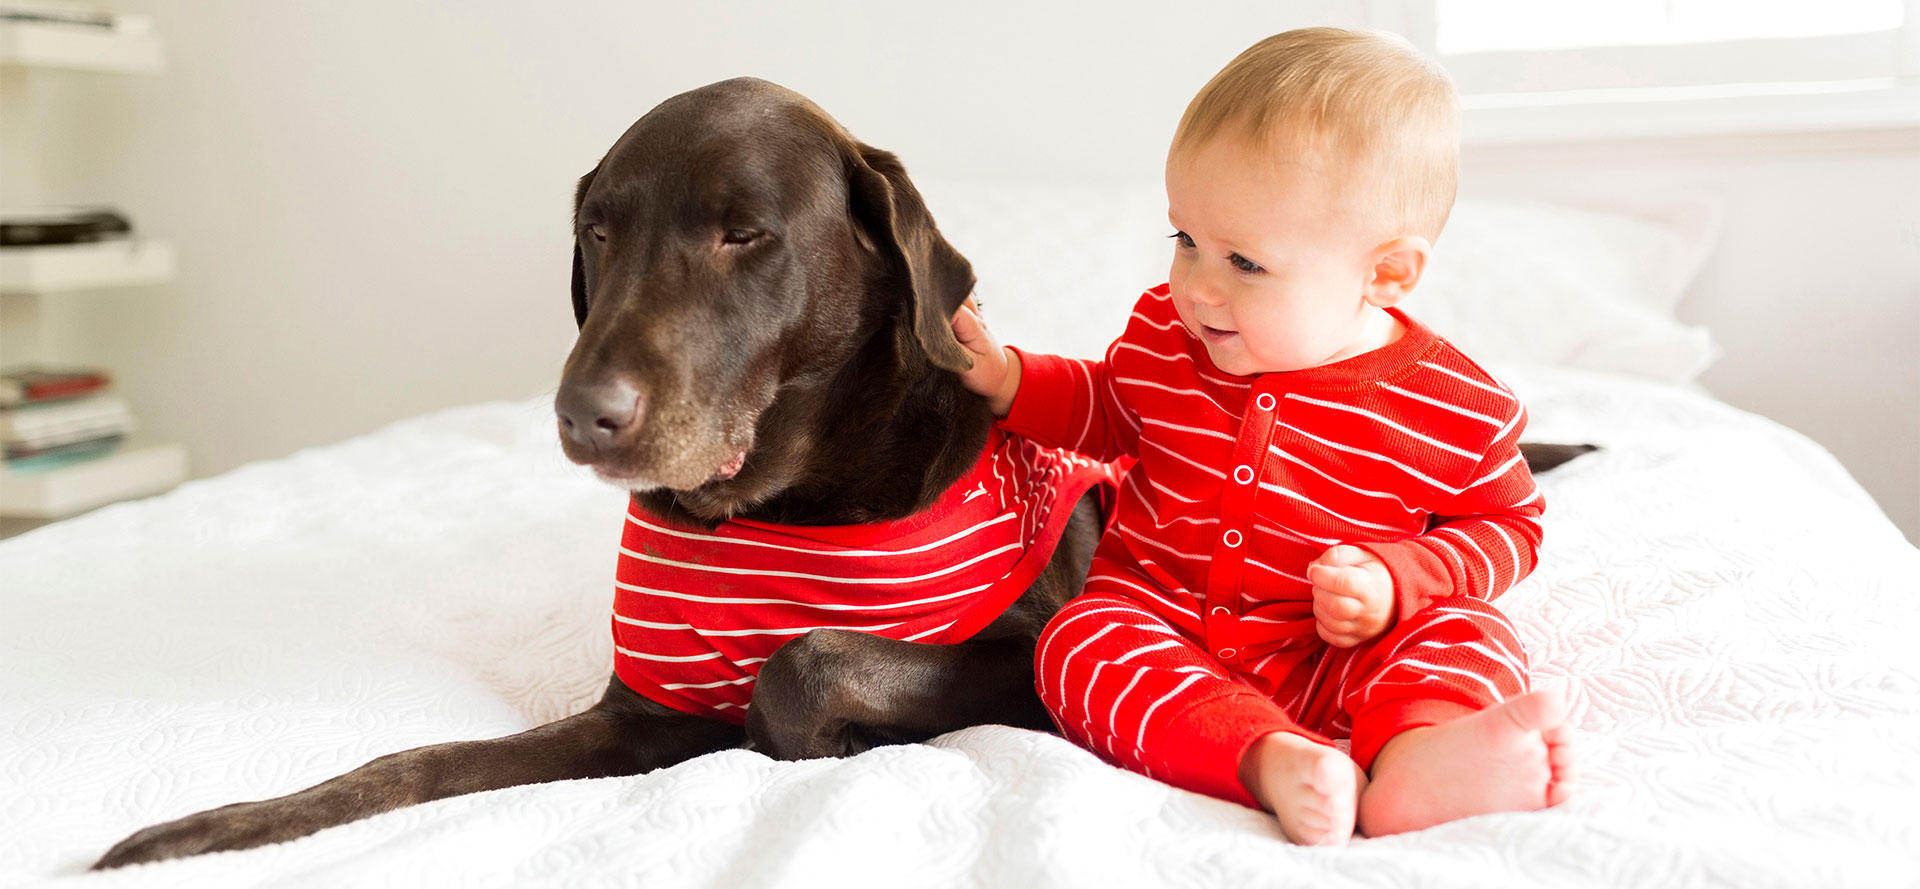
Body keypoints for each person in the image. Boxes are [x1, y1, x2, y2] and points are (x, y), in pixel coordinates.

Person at [948, 27, 1574, 845]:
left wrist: (1399, 578)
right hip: (1166, 620)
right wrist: (1010, 379)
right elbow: (1109, 407)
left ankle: (1418, 756)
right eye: (1186, 241)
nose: (1197, 286)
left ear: (1384, 273)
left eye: (1244, 262)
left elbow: (1511, 527)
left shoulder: (1454, 404)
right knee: (1075, 641)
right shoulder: (1168, 336)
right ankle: (1270, 758)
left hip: (1340, 647)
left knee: (1470, 630)